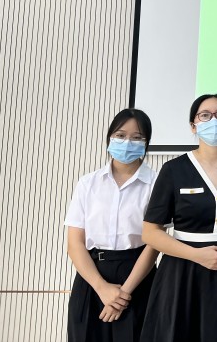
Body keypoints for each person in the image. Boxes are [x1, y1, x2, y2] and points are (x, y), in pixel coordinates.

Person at [140, 94, 217, 342]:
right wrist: (197, 255)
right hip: (181, 274)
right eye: (205, 115)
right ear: (193, 126)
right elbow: (150, 233)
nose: (214, 120)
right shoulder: (174, 169)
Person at [65, 108, 159, 342]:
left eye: (137, 137)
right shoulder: (88, 183)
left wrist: (123, 294)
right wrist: (102, 288)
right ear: (109, 138)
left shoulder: (156, 183)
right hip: (91, 278)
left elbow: (155, 243)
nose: (127, 142)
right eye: (120, 135)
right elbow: (75, 244)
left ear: (146, 143)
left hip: (138, 278)